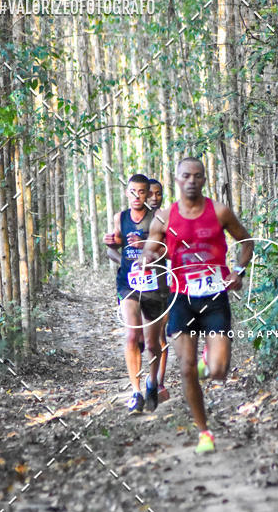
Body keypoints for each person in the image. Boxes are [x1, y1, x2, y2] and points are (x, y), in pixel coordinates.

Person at [141, 158, 253, 453]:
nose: (191, 180)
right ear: (176, 180)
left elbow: (246, 241)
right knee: (186, 369)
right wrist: (148, 260)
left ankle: (209, 361)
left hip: (215, 298)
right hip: (181, 299)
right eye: (186, 176)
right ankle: (204, 433)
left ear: (204, 179)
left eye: (197, 176)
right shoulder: (164, 218)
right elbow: (151, 250)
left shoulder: (219, 212)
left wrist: (238, 272)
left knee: (218, 371)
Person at [103, 174, 170, 413]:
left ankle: (153, 382)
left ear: (148, 194)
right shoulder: (120, 218)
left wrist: (147, 249)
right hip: (128, 284)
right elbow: (113, 249)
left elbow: (172, 251)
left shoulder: (159, 218)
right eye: (132, 192)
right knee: (132, 336)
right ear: (126, 192)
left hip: (155, 286)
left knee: (153, 343)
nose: (136, 196)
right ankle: (136, 392)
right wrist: (114, 249)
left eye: (142, 192)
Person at [147, 179, 170, 403]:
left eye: (159, 193)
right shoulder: (129, 219)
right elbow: (116, 251)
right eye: (150, 194)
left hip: (162, 284)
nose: (155, 197)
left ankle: (158, 383)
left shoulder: (166, 218)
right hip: (136, 288)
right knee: (140, 339)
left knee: (161, 339)